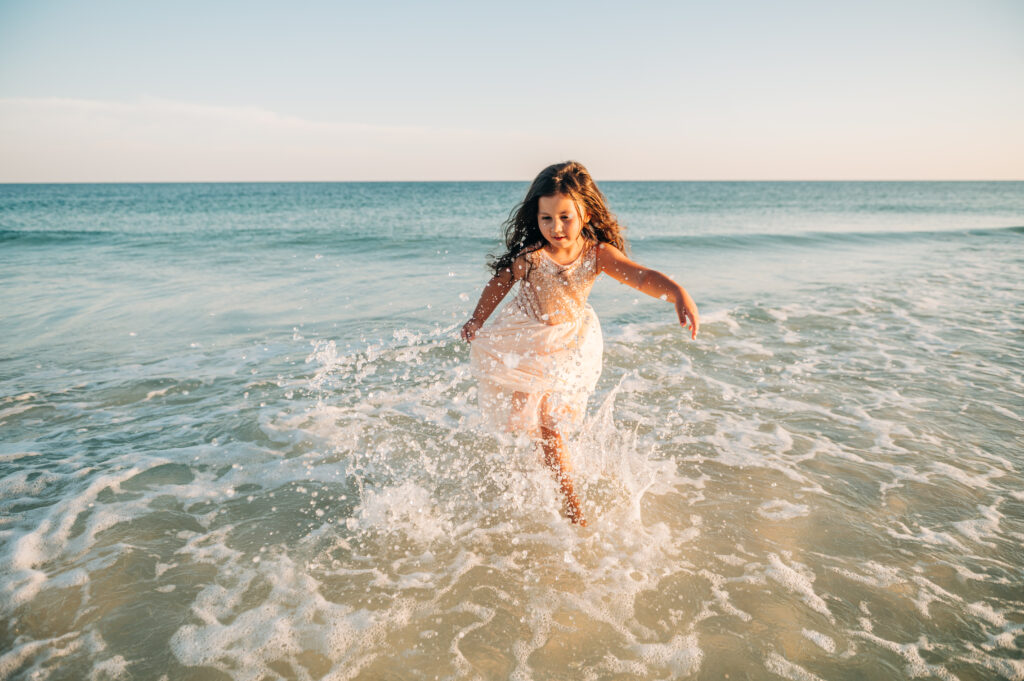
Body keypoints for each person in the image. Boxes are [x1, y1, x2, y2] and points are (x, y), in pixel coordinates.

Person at [461, 161, 699, 526]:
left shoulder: (596, 254)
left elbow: (640, 276)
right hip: (527, 336)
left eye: (565, 217)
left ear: (585, 212)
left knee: (551, 423)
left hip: (571, 342)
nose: (556, 228)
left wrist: (676, 292)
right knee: (522, 421)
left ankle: (573, 509)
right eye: (546, 219)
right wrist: (478, 318)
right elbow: (500, 282)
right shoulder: (532, 257)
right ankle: (542, 476)